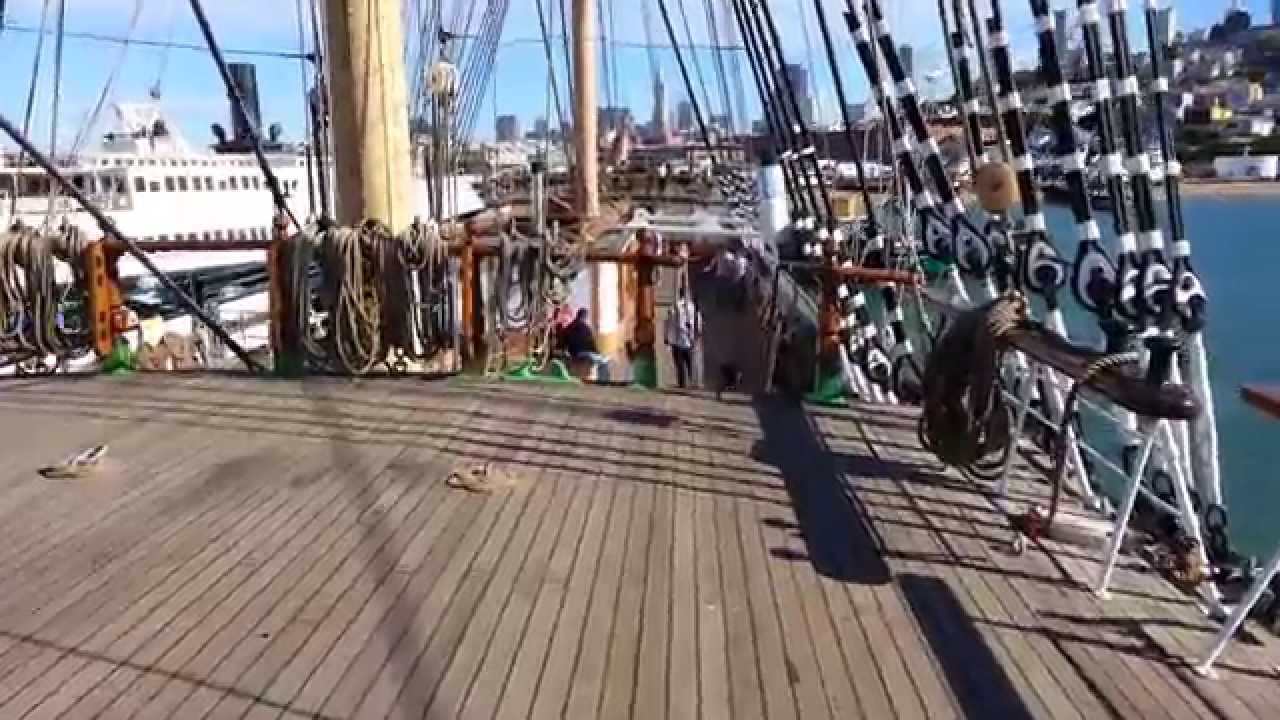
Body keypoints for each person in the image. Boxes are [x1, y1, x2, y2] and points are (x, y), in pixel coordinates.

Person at [559, 308, 611, 382]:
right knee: (604, 360)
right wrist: (598, 353)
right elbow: (591, 343)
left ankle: (602, 379)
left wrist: (566, 353)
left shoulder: (568, 327)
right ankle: (604, 380)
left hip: (574, 353)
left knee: (600, 359)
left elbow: (562, 344)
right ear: (584, 317)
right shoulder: (585, 328)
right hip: (583, 353)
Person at [664, 287, 701, 389]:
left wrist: (667, 337)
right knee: (688, 362)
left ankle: (684, 382)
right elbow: (697, 321)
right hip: (686, 338)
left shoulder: (677, 307)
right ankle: (691, 382)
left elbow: (668, 323)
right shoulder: (689, 307)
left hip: (680, 338)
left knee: (682, 363)